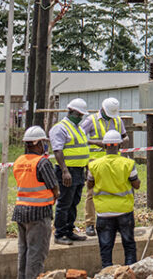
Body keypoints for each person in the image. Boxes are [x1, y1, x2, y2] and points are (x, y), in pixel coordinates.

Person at [87, 130, 140, 268]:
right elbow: (136, 184)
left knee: (105, 247)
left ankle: (107, 272)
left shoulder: (94, 165)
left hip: (104, 212)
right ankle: (129, 271)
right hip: (124, 210)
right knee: (129, 245)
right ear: (120, 146)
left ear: (104, 146)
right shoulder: (128, 164)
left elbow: (89, 185)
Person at [13, 125, 60, 279]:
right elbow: (54, 186)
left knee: (24, 250)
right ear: (38, 143)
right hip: (38, 213)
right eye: (43, 143)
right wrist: (56, 195)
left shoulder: (19, 161)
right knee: (36, 253)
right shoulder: (42, 162)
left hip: (21, 211)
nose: (45, 146)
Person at [81, 97, 127, 237]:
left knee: (113, 190)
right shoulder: (91, 120)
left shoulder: (117, 120)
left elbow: (125, 136)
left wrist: (120, 141)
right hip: (95, 160)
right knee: (92, 192)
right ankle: (90, 223)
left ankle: (112, 221)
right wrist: (97, 142)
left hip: (114, 160)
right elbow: (80, 137)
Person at [49, 98, 91, 244]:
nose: (80, 117)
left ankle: (69, 230)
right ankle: (59, 234)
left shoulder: (79, 129)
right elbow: (57, 151)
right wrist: (64, 171)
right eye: (78, 114)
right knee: (64, 203)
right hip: (67, 171)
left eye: (81, 115)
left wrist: (86, 168)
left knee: (74, 202)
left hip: (78, 170)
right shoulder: (60, 128)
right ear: (71, 112)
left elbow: (83, 148)